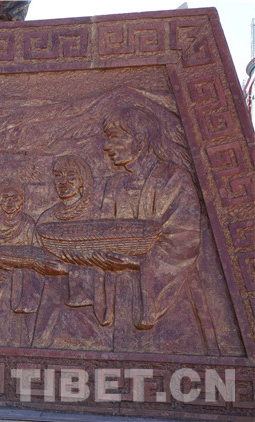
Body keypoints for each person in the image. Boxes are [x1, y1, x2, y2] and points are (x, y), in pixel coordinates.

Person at [98, 106, 219, 355]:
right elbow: (103, 235)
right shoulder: (114, 185)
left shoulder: (174, 179)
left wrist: (136, 263)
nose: (106, 147)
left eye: (115, 137)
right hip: (123, 293)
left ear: (140, 140)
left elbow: (184, 241)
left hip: (169, 293)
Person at [31, 155, 111, 351]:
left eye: (71, 176)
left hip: (85, 295)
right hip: (51, 295)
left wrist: (70, 269)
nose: (63, 182)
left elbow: (105, 260)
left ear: (83, 181)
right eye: (58, 176)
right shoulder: (47, 217)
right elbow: (35, 253)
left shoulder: (96, 214)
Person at [0, 179, 36, 347]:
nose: (10, 202)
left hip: (19, 283)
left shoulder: (28, 224)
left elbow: (34, 255)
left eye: (15, 198)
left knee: (17, 328)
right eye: (5, 198)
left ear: (22, 200)